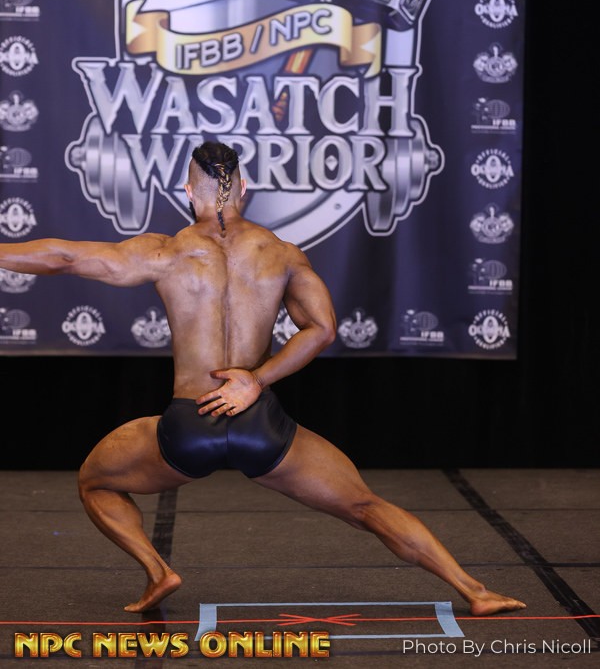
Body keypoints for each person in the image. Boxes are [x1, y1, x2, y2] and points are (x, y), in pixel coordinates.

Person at [0, 141, 526, 617]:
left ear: (188, 190)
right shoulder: (282, 254)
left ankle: (158, 571)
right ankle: (475, 591)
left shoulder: (164, 252)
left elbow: (64, 257)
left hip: (189, 424)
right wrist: (254, 381)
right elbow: (322, 329)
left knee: (95, 481)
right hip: (261, 425)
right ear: (245, 189)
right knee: (365, 506)